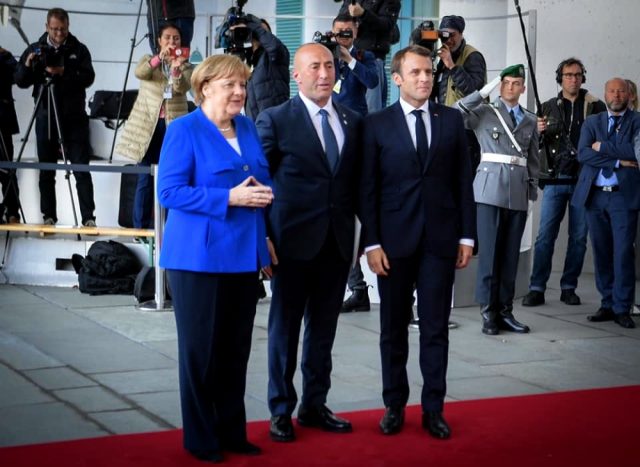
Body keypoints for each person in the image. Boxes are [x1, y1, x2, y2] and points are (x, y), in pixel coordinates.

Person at [157, 54, 274, 463]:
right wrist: (229, 197)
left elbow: (261, 178)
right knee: (201, 354)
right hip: (197, 260)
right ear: (205, 88)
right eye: (230, 85)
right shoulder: (183, 129)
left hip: (243, 257)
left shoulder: (247, 126)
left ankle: (231, 431)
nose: (240, 92)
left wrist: (264, 211)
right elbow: (169, 192)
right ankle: (201, 438)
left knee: (235, 351)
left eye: (243, 85)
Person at [360, 45, 475, 439]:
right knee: (392, 329)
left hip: (440, 242)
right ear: (397, 79)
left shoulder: (451, 120)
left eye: (429, 72)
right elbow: (367, 189)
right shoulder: (376, 124)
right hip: (392, 245)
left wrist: (466, 235)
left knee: (435, 328)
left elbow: (462, 182)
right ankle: (394, 405)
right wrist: (371, 243)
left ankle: (433, 409)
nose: (425, 78)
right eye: (416, 73)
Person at [256, 43, 362, 443]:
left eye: (329, 66)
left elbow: (356, 183)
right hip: (290, 244)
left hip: (336, 243)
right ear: (296, 75)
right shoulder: (275, 119)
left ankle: (315, 405)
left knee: (323, 331)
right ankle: (280, 409)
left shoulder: (352, 120)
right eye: (314, 67)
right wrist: (262, 237)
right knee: (284, 330)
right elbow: (258, 184)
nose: (324, 73)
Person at [455, 64, 539, 335]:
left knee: (510, 256)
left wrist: (531, 192)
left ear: (523, 88)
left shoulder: (529, 120)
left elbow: (533, 160)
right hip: (489, 191)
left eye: (516, 83)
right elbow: (457, 112)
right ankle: (488, 312)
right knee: (490, 256)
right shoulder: (485, 112)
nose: (511, 88)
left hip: (518, 192)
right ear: (499, 86)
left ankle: (505, 311)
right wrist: (483, 92)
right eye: (506, 83)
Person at [522, 58, 606, 307]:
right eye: (568, 75)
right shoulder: (547, 107)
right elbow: (532, 145)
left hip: (584, 180)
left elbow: (604, 139)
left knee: (579, 237)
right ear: (560, 78)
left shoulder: (595, 106)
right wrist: (537, 132)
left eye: (578, 75)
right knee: (545, 236)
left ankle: (569, 287)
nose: (573, 79)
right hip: (555, 178)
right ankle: (537, 288)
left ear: (583, 77)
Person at [14, 7, 96, 226]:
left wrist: (64, 72)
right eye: (54, 29)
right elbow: (20, 81)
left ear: (68, 27)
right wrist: (28, 64)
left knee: (81, 169)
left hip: (74, 117)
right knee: (46, 170)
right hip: (45, 114)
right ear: (47, 27)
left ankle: (88, 218)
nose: (59, 33)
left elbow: (88, 77)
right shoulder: (36, 48)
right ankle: (48, 216)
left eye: (62, 29)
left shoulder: (79, 49)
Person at [573, 77, 640, 329]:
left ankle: (623, 307)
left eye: (621, 91)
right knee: (601, 251)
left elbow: (635, 153)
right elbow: (583, 153)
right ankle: (607, 303)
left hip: (623, 196)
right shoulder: (593, 121)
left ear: (629, 95)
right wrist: (618, 161)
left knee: (623, 252)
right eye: (612, 91)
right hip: (596, 195)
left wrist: (603, 147)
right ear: (605, 94)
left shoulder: (637, 121)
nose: (616, 95)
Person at [116, 23, 193, 230]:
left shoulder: (186, 66)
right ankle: (139, 229)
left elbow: (182, 87)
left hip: (172, 127)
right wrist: (159, 58)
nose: (171, 42)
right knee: (144, 178)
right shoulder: (148, 60)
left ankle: (169, 229)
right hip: (148, 127)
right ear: (159, 40)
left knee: (171, 179)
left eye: (176, 38)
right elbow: (140, 72)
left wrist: (176, 69)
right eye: (167, 37)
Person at [330, 13, 378, 312]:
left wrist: (349, 59)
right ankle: (356, 287)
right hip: (328, 133)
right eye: (338, 33)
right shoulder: (325, 54)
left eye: (347, 32)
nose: (342, 37)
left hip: (355, 134)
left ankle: (360, 284)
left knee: (355, 209)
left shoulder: (364, 56)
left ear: (356, 32)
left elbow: (372, 81)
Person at [432, 15, 486, 172]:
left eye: (453, 35)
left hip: (466, 129)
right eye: (444, 35)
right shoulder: (443, 56)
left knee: (464, 176)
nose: (448, 40)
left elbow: (474, 92)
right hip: (444, 126)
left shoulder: (472, 56)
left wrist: (452, 65)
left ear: (461, 34)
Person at [339, 0, 401, 112]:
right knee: (345, 104)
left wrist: (363, 14)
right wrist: (351, 19)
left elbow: (387, 25)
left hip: (372, 58)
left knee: (372, 109)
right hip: (349, 56)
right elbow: (341, 18)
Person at [242, 16, 290, 121]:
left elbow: (274, 46)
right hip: (255, 120)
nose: (258, 33)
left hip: (275, 119)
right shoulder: (250, 58)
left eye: (263, 31)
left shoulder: (277, 54)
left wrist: (252, 25)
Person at [0, 47, 20, 224]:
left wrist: (4, 55)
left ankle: (12, 211)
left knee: (7, 167)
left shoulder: (5, 57)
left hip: (2, 119)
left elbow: (18, 76)